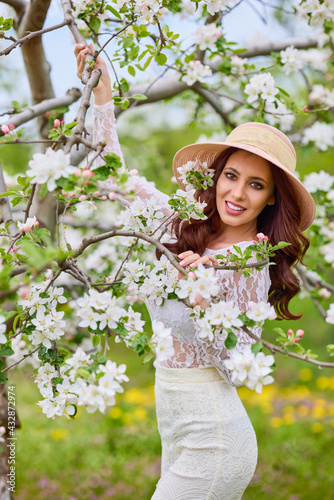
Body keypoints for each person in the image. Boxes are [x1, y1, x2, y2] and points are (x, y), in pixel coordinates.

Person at [74, 43, 316, 499]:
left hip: (217, 439)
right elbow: (114, 178)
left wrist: (206, 300)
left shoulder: (251, 262)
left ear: (270, 199)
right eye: (231, 175)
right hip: (176, 431)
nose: (238, 193)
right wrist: (103, 97)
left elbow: (239, 365)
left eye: (256, 184)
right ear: (215, 176)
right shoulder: (184, 221)